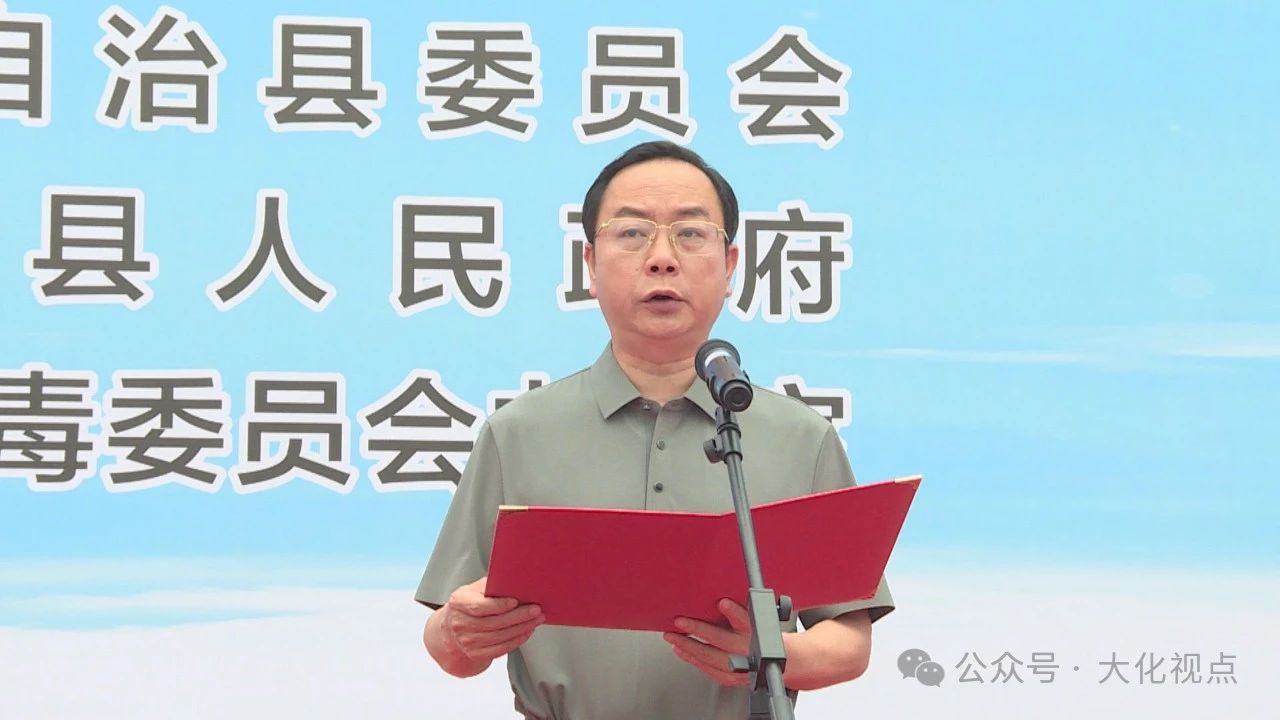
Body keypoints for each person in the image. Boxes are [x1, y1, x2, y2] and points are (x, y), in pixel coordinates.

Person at [415, 141, 894, 719]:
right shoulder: (518, 433)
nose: (662, 258)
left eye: (690, 233)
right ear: (590, 264)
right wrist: (459, 630)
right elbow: (449, 646)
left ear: (730, 265)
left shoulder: (799, 438)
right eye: (633, 232)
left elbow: (849, 642)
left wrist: (769, 654)